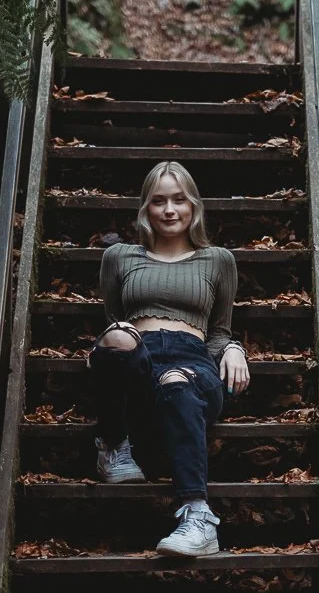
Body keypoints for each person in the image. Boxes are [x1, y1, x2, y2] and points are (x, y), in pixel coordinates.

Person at [88, 161, 250, 557]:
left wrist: (232, 348)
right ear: (146, 209)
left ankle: (198, 517)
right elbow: (114, 318)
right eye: (158, 201)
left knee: (176, 379)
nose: (170, 210)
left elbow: (220, 331)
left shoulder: (218, 260)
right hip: (140, 363)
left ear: (194, 205)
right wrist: (110, 345)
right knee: (117, 338)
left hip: (192, 364)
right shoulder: (119, 257)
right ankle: (114, 448)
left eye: (179, 200)